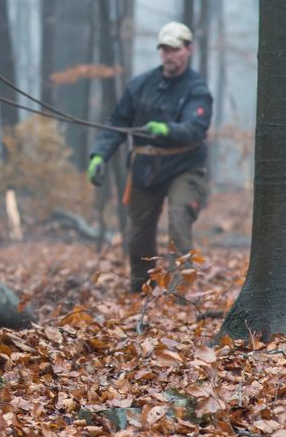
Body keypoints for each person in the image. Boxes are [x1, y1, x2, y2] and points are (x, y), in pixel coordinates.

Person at [87, 21, 213, 292]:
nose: (168, 56)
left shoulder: (197, 90)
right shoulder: (140, 85)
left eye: (174, 49)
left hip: (185, 166)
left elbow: (195, 129)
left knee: (179, 222)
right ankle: (140, 291)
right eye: (164, 50)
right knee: (138, 233)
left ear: (188, 50)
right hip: (145, 167)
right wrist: (99, 156)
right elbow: (117, 123)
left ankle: (179, 296)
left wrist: (167, 129)